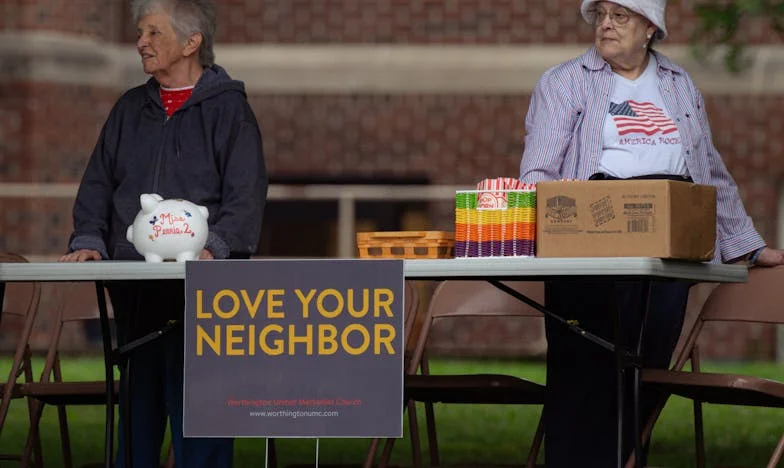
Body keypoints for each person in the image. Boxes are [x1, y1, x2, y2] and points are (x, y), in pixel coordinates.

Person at [519, 0, 784, 466]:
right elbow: (538, 170)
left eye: (620, 16)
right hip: (590, 241)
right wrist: (556, 220)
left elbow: (710, 174)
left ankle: (623, 459)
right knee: (584, 372)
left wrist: (749, 243)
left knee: (646, 372)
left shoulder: (678, 85)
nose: (605, 24)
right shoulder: (564, 82)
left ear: (650, 27)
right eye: (601, 14)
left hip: (669, 244)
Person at [59, 0, 267, 466]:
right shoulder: (129, 109)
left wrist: (216, 249)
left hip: (207, 292)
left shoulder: (229, 110)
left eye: (153, 33)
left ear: (191, 42)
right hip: (136, 285)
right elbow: (97, 184)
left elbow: (245, 196)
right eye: (140, 33)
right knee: (139, 406)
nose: (141, 43)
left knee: (204, 406)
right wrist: (89, 240)